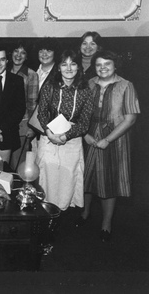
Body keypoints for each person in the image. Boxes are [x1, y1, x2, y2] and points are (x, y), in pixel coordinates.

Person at [79, 50, 140, 242]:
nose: (102, 68)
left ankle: (106, 224)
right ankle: (85, 213)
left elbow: (130, 119)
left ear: (115, 65)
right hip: (89, 136)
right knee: (86, 176)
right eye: (99, 65)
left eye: (107, 64)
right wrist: (85, 135)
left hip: (115, 138)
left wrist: (108, 139)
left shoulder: (126, 85)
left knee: (109, 181)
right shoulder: (89, 84)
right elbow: (79, 113)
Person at [35, 50, 94, 212]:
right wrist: (49, 133)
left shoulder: (85, 90)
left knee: (67, 180)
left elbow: (84, 122)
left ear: (79, 68)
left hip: (72, 142)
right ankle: (44, 214)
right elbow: (42, 113)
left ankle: (59, 215)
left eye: (73, 64)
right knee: (47, 178)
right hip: (49, 137)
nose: (69, 68)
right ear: (58, 68)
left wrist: (66, 136)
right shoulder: (50, 86)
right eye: (64, 64)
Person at [8, 40, 39, 170]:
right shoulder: (3, 69)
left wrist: (31, 127)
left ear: (27, 56)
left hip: (22, 125)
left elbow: (32, 103)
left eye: (23, 53)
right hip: (2, 124)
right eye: (16, 51)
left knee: (18, 164)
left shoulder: (31, 75)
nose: (18, 55)